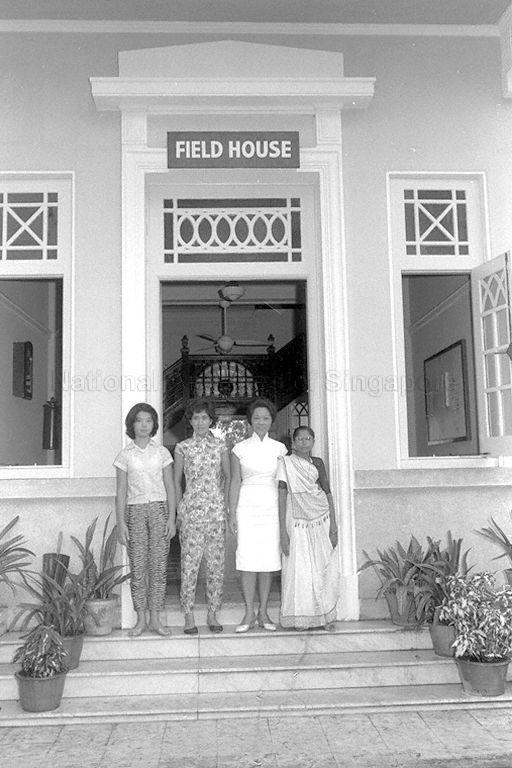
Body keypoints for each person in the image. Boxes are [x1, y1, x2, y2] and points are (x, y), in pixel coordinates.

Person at [114, 402, 176, 637]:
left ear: (154, 425)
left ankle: (156, 620)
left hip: (159, 511)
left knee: (158, 568)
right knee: (138, 567)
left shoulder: (162, 453)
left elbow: (170, 486)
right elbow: (120, 491)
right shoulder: (124, 455)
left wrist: (171, 518)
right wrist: (121, 523)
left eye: (148, 420)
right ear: (132, 424)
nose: (143, 424)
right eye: (139, 420)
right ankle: (140, 620)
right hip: (135, 512)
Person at [229, 397, 287, 632]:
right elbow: (235, 481)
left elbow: (283, 484)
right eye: (256, 418)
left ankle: (264, 612)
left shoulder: (280, 449)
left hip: (271, 506)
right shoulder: (239, 449)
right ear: (250, 421)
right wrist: (232, 512)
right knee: (248, 559)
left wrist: (285, 515)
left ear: (271, 420)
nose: (261, 422)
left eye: (265, 418)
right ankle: (248, 612)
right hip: (247, 505)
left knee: (268, 559)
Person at [174, 399, 230, 635]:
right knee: (189, 566)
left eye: (204, 417)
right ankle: (188, 614)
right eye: (195, 417)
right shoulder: (182, 447)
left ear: (211, 420)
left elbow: (227, 477)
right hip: (191, 514)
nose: (200, 422)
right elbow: (176, 481)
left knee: (216, 566)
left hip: (216, 515)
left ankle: (212, 613)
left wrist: (224, 504)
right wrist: (179, 509)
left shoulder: (220, 447)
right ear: (190, 420)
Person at [277, 426, 339, 631]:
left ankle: (323, 616)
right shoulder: (286, 463)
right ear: (293, 442)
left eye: (308, 438)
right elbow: (282, 494)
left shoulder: (318, 463)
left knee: (323, 567)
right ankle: (301, 618)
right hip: (296, 520)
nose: (304, 442)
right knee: (300, 568)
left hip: (321, 518)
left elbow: (327, 492)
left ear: (313, 441)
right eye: (300, 439)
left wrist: (334, 526)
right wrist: (282, 533)